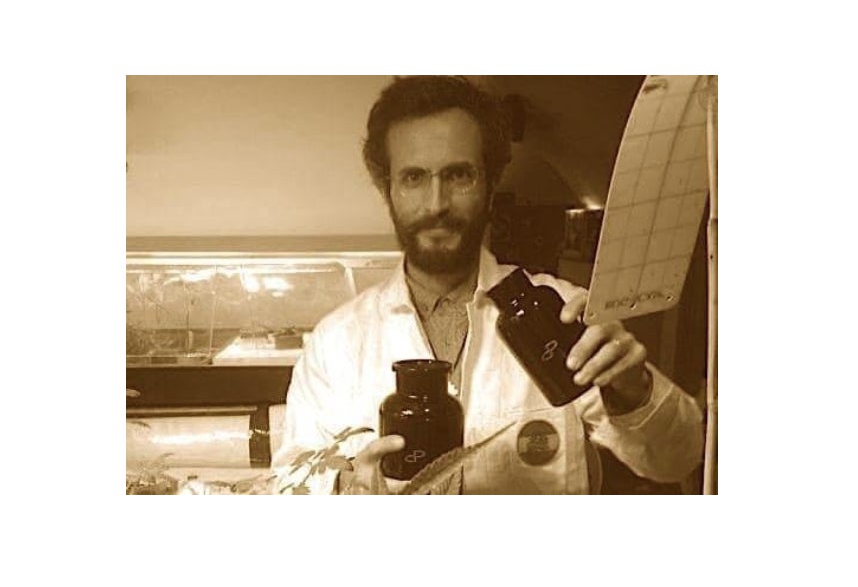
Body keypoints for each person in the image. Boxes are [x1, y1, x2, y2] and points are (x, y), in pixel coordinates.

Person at [273, 75, 703, 494]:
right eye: (414, 178)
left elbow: (678, 458)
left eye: (458, 175)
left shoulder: (564, 312)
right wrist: (345, 487)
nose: (436, 204)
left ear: (491, 182)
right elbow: (292, 478)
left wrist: (633, 390)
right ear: (388, 188)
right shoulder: (335, 342)